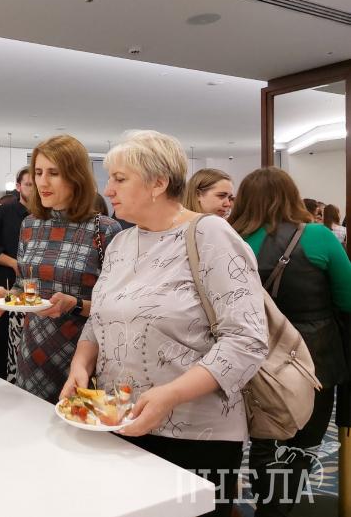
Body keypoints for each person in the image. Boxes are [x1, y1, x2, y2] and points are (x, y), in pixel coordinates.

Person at [59, 130, 267, 517]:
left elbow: (246, 340)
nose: (108, 189)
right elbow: (99, 319)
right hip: (122, 422)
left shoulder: (209, 234)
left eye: (120, 178)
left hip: (195, 435)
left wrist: (169, 395)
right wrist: (80, 366)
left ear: (158, 183)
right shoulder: (121, 243)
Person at [229, 167, 351, 515]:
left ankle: (259, 497)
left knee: (261, 437)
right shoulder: (318, 237)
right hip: (311, 357)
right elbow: (347, 299)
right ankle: (276, 508)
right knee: (300, 443)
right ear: (291, 197)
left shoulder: (228, 238)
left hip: (247, 354)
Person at [0, 135, 122, 402]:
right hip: (32, 352)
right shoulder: (30, 225)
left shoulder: (104, 229)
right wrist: (7, 297)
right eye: (38, 172)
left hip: (83, 355)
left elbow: (116, 307)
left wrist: (75, 305)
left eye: (54, 173)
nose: (42, 182)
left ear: (76, 176)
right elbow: (24, 287)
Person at [0, 166, 33, 381]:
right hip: (2, 286)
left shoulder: (45, 216)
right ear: (18, 187)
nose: (35, 189)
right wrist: (14, 263)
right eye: (29, 184)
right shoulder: (3, 212)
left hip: (31, 293)